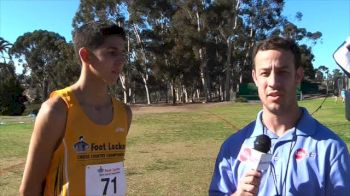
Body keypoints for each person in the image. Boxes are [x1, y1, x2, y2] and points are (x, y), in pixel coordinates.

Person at [209, 37, 350, 196]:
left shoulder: (331, 149)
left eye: (282, 72)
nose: (273, 82)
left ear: (298, 76)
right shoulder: (232, 147)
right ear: (255, 78)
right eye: (265, 73)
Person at [19, 22, 132, 196]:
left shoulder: (124, 113)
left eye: (122, 53)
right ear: (86, 55)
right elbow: (29, 188)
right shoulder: (56, 110)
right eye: (112, 53)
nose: (121, 60)